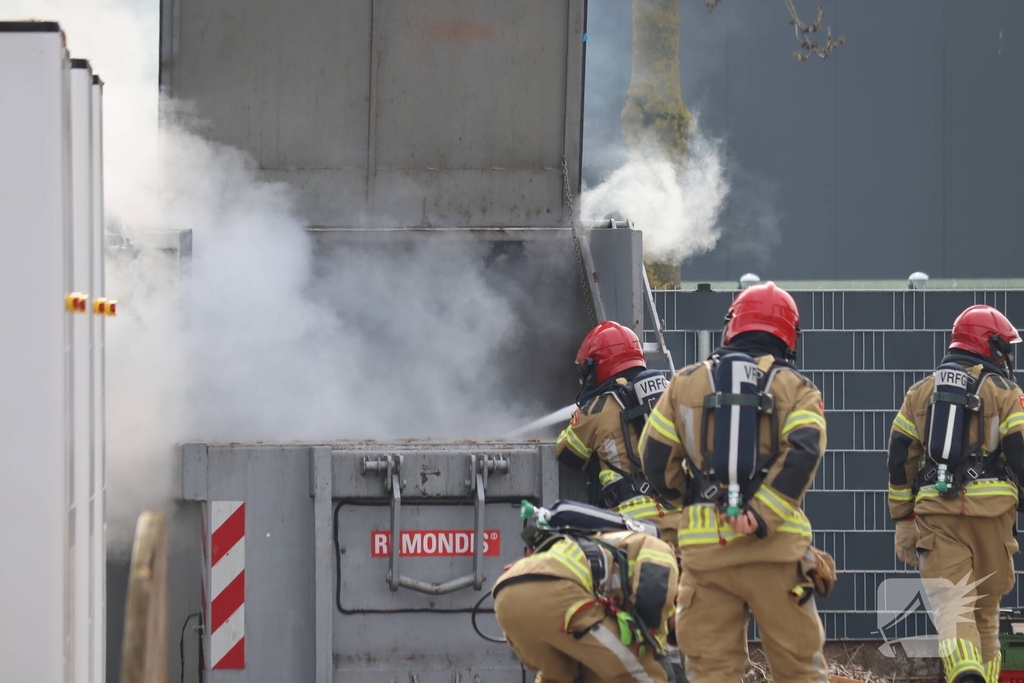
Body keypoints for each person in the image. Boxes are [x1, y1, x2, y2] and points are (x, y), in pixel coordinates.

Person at [638, 281, 832, 683]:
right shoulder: (797, 389)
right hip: (776, 556)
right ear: (788, 335)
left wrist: (689, 498)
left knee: (710, 674)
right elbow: (804, 452)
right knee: (800, 673)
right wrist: (760, 515)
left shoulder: (684, 384)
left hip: (706, 559)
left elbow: (655, 459)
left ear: (733, 327)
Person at [888, 304, 1024, 683]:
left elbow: (900, 459)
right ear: (989, 346)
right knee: (987, 611)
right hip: (994, 519)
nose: (1007, 356)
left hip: (938, 517)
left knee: (954, 605)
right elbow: (1021, 451)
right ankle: (984, 676)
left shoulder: (920, 393)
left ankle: (964, 672)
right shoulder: (1005, 392)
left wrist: (903, 522)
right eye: (1003, 348)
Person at [492, 503, 679, 682]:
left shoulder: (607, 545)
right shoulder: (662, 550)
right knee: (647, 671)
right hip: (556, 589)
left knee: (567, 675)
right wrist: (654, 646)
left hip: (507, 598)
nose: (669, 626)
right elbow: (654, 597)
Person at [556, 321, 683, 550]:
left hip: (632, 531)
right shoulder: (673, 393)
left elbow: (568, 454)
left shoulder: (596, 409)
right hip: (684, 523)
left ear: (599, 365)